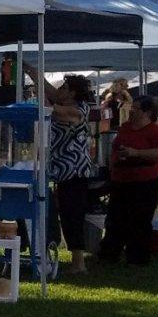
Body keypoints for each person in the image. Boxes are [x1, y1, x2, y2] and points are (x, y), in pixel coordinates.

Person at [99, 94, 158, 266]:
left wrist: (136, 153)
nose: (131, 111)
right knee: (116, 218)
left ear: (147, 112)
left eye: (136, 108)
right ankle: (109, 254)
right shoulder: (125, 128)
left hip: (147, 180)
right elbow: (116, 147)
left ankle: (137, 257)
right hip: (122, 178)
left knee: (139, 219)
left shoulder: (156, 131)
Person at [46, 75, 97, 274]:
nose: (60, 89)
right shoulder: (65, 102)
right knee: (67, 216)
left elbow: (52, 108)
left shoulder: (78, 110)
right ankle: (77, 262)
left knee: (73, 216)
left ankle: (79, 263)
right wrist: (30, 70)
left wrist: (40, 94)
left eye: (64, 87)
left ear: (72, 93)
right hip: (64, 172)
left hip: (75, 171)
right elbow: (49, 92)